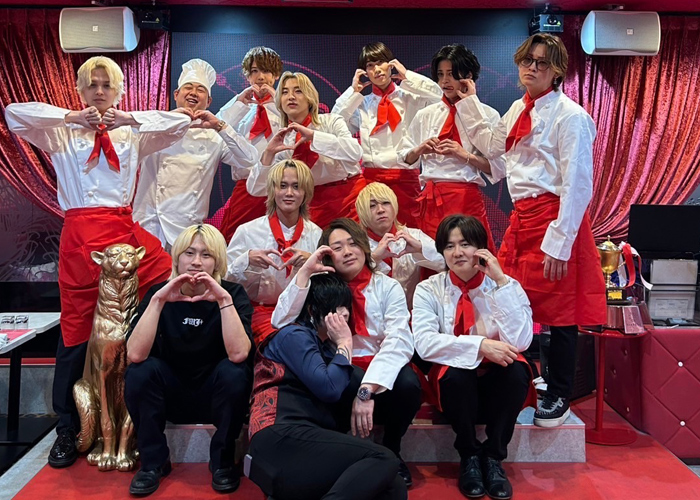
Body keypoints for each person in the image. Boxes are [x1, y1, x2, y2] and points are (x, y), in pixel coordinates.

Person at [4, 56, 191, 469]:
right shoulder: (61, 131)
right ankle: (66, 429)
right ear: (80, 89)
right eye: (93, 85)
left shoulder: (132, 132)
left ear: (120, 90)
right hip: (80, 240)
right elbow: (13, 114)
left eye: (108, 85)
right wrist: (71, 117)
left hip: (123, 234)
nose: (100, 92)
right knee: (74, 334)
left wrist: (128, 118)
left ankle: (152, 410)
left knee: (163, 294)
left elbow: (179, 123)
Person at [457, 33, 606, 428]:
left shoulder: (571, 116)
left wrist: (560, 241)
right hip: (522, 218)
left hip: (555, 218)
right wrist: (469, 102)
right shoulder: (517, 108)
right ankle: (525, 380)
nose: (532, 68)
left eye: (542, 62)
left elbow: (578, 184)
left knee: (561, 314)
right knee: (510, 299)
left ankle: (560, 394)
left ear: (557, 71)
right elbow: (495, 152)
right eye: (527, 60)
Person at [272, 218, 420, 487]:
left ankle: (392, 448)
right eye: (338, 248)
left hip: (378, 367)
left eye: (353, 244)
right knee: (331, 379)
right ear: (328, 256)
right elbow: (280, 321)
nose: (348, 252)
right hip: (337, 367)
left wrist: (367, 388)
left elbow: (399, 341)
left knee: (409, 383)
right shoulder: (319, 286)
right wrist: (304, 272)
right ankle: (346, 452)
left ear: (364, 247)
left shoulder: (388, 286)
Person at [248, 271, 407, 500]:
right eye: (336, 306)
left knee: (392, 486)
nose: (345, 313)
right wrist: (345, 342)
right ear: (312, 310)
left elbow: (355, 381)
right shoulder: (294, 335)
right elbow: (329, 388)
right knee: (384, 458)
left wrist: (364, 395)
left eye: (346, 306)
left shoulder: (326, 349)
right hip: (279, 435)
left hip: (307, 439)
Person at [125, 224, 254, 495]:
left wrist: (223, 301)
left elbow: (239, 354)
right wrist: (159, 301)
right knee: (140, 371)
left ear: (217, 261)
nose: (196, 262)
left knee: (236, 372)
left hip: (215, 395)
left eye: (206, 255)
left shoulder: (232, 294)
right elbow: (135, 354)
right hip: (170, 394)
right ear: (177, 258)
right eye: (189, 253)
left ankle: (222, 461)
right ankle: (153, 463)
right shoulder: (157, 294)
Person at [412, 215, 535, 500]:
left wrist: (500, 281)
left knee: (516, 371)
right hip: (457, 384)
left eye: (465, 244)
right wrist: (480, 346)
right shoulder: (429, 289)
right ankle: (468, 455)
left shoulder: (507, 285)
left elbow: (521, 342)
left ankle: (493, 456)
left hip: (495, 378)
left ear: (481, 248)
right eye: (449, 246)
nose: (457, 253)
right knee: (456, 375)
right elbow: (425, 344)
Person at [133, 58, 259, 249]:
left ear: (208, 101)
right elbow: (129, 129)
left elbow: (250, 159)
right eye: (188, 87)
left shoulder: (214, 137)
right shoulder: (155, 127)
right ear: (176, 94)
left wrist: (220, 126)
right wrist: (170, 120)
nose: (193, 92)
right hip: (149, 224)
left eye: (200, 89)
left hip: (187, 230)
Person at [398, 44, 501, 246]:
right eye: (440, 74)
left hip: (466, 200)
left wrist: (465, 156)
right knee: (432, 258)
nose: (445, 81)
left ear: (468, 76)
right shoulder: (425, 115)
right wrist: (420, 149)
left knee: (472, 257)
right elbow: (405, 157)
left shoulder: (487, 115)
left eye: (452, 74)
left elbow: (497, 167)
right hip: (432, 200)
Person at [332, 42, 442, 227]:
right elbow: (335, 123)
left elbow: (439, 97)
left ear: (391, 64)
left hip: (406, 178)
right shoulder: (361, 104)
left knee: (410, 234)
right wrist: (353, 91)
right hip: (372, 181)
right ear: (364, 72)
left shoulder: (411, 97)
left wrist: (408, 76)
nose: (377, 69)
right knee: (373, 236)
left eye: (380, 63)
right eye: (370, 66)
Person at [247, 72, 365, 229]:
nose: (291, 97)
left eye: (298, 91)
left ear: (310, 98)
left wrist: (314, 137)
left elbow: (355, 152)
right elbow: (256, 189)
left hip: (349, 201)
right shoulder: (283, 139)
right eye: (285, 92)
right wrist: (268, 154)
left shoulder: (330, 121)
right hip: (310, 209)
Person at [226, 159, 322, 346]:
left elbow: (325, 286)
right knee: (293, 343)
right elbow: (223, 279)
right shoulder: (247, 231)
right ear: (272, 190)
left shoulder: (316, 234)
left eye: (296, 187)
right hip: (257, 315)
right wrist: (246, 260)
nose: (289, 193)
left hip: (301, 316)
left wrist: (313, 264)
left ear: (306, 193)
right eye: (283, 186)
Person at [216, 46, 284, 241]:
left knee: (278, 241)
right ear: (247, 75)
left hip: (280, 187)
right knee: (233, 240)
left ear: (276, 75)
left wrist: (278, 101)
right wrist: (239, 102)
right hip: (246, 188)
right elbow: (214, 130)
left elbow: (300, 126)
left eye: (266, 71)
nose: (260, 77)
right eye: (254, 71)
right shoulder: (240, 105)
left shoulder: (286, 105)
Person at [355, 181, 444, 307]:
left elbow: (449, 264)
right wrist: (374, 258)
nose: (380, 210)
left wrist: (421, 248)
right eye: (372, 206)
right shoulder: (355, 243)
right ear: (362, 212)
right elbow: (348, 281)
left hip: (412, 313)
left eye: (386, 203)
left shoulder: (414, 236)